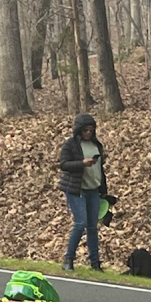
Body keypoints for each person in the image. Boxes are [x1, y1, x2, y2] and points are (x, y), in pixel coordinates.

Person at [57, 113, 107, 271]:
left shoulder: (96, 145)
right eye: (85, 130)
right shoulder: (71, 144)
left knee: (92, 227)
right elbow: (64, 164)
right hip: (76, 189)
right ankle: (68, 258)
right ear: (79, 130)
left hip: (93, 188)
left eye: (91, 130)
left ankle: (95, 263)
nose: (88, 133)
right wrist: (81, 163)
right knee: (81, 223)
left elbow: (101, 169)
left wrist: (104, 191)